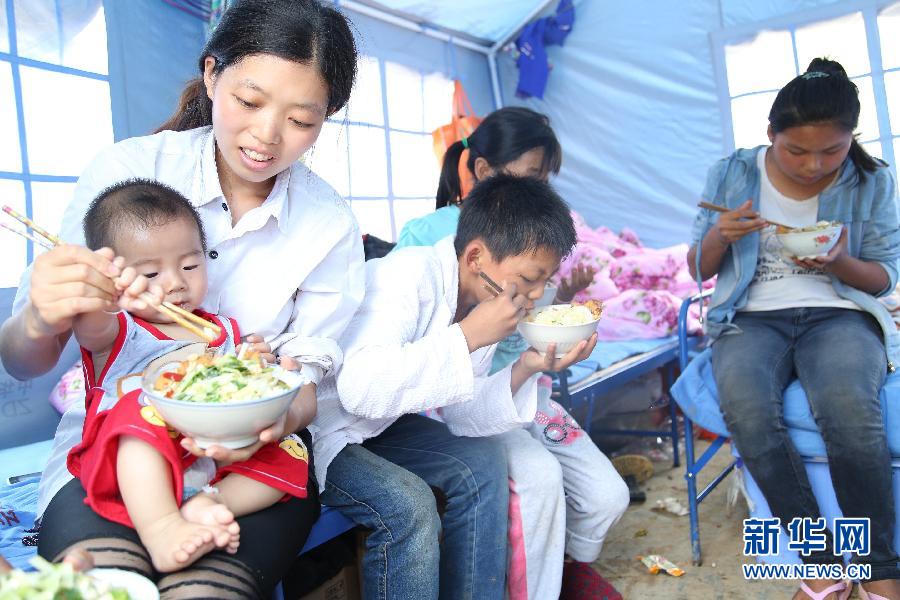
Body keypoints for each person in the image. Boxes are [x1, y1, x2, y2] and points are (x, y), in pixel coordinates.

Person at [0, 1, 364, 597]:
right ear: (213, 73)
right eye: (249, 102)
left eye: (302, 120)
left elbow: (307, 387)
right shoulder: (128, 174)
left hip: (244, 462)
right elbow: (22, 360)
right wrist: (43, 315)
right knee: (107, 588)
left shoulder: (329, 225)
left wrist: (273, 418)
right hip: (115, 450)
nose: (267, 136)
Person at [314, 174, 606, 599]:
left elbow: (464, 415)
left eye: (546, 279)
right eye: (529, 279)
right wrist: (468, 335)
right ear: (475, 257)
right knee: (409, 506)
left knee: (483, 460)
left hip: (379, 427)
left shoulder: (479, 301)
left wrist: (527, 365)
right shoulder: (406, 277)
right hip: (325, 431)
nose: (538, 293)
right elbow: (359, 387)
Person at [688, 58, 900, 600]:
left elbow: (884, 277)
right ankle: (822, 563)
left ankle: (879, 566)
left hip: (840, 312)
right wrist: (720, 235)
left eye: (832, 151)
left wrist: (838, 263)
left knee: (851, 413)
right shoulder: (733, 173)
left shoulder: (872, 181)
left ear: (852, 139)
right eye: (797, 150)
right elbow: (699, 268)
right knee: (749, 412)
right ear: (770, 136)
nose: (813, 165)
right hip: (750, 316)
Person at [397, 107, 628, 598]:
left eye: (545, 179)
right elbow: (407, 345)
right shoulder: (427, 239)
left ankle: (566, 573)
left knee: (608, 496)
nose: (541, 190)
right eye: (531, 176)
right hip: (459, 398)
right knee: (539, 481)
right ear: (483, 171)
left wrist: (565, 309)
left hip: (527, 389)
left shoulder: (531, 247)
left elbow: (529, 322)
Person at [66, 179, 315, 574]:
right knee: (138, 410)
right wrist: (102, 294)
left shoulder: (222, 330)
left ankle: (211, 502)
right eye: (149, 272)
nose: (175, 283)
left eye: (189, 265)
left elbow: (248, 385)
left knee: (293, 448)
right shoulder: (118, 329)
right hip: (134, 459)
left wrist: (255, 369)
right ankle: (163, 528)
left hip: (209, 453)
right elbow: (90, 320)